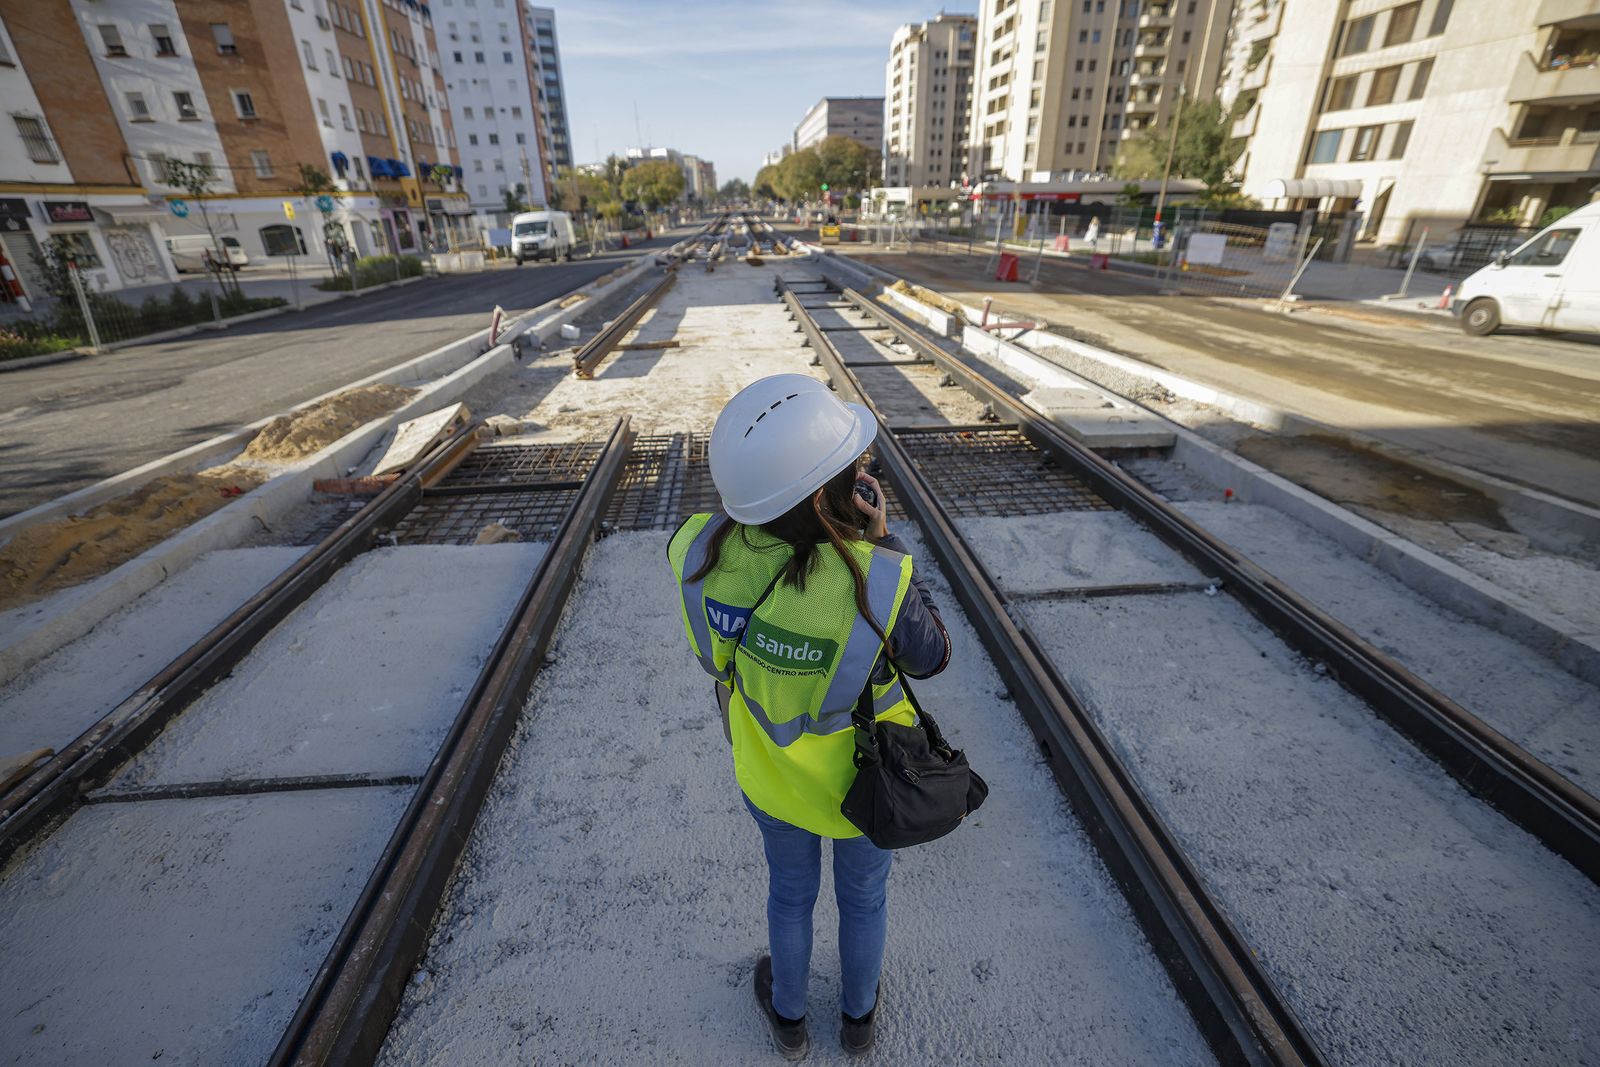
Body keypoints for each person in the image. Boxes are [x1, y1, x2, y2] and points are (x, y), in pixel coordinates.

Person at [668, 374, 951, 1059]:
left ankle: (790, 1022)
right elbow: (932, 656)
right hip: (864, 782)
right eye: (853, 465)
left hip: (769, 774)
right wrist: (883, 544)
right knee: (864, 898)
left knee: (790, 895)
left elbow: (715, 662)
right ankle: (858, 1020)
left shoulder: (699, 553)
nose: (863, 470)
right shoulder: (872, 576)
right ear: (828, 495)